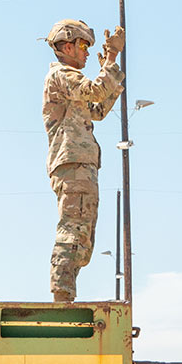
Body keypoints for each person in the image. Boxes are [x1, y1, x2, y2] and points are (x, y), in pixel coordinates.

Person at [43, 19, 125, 302]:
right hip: (73, 164)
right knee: (73, 230)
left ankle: (65, 292)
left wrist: (111, 73)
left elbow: (98, 109)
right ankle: (62, 295)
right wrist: (111, 61)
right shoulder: (62, 75)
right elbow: (95, 92)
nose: (87, 53)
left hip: (81, 165)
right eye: (82, 46)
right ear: (67, 47)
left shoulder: (70, 81)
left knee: (82, 234)